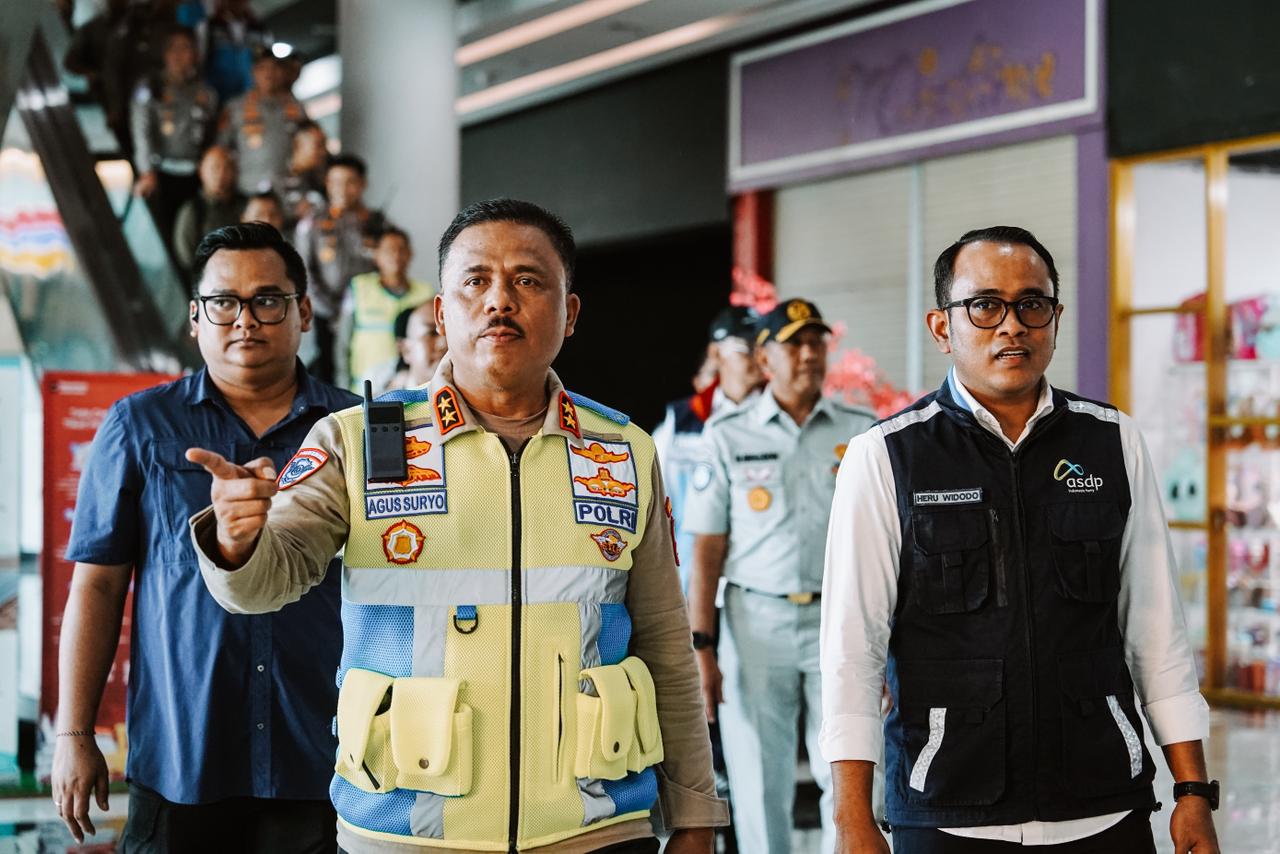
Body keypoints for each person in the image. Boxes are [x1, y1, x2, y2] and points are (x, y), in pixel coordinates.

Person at [185, 198, 728, 853]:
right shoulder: (359, 440)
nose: (500, 300)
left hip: (597, 832)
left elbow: (666, 645)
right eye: (476, 281)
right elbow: (266, 585)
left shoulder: (622, 450)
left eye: (528, 280)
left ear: (570, 313)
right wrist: (238, 542)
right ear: (442, 314)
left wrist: (695, 812)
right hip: (407, 834)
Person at [820, 226, 1221, 854]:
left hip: (1103, 805)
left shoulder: (1112, 442)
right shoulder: (886, 457)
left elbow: (1156, 632)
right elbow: (853, 650)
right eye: (985, 305)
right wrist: (851, 818)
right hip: (947, 809)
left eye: (1032, 304)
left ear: (1055, 319)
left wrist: (1192, 790)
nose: (1012, 325)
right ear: (942, 327)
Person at [51, 222, 357, 852]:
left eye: (268, 300)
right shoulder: (140, 425)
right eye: (223, 302)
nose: (245, 320)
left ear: (303, 312)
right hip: (182, 758)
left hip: (325, 755)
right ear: (195, 317)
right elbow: (98, 585)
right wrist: (74, 734)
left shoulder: (352, 429)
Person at [685, 299, 875, 854]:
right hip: (755, 622)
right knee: (758, 778)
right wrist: (702, 646)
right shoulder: (727, 435)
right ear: (765, 359)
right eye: (794, 344)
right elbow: (706, 548)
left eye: (816, 342)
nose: (809, 354)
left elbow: (882, 541)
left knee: (848, 768)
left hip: (840, 621)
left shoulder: (861, 432)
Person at [652, 306, 763, 592]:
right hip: (688, 581)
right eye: (747, 346)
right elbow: (654, 504)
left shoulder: (775, 420)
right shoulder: (681, 421)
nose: (758, 355)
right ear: (715, 353)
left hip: (753, 586)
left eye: (763, 345)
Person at [293, 154, 385, 383]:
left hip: (367, 311)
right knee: (324, 374)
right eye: (335, 182)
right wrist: (332, 311)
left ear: (363, 184)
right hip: (323, 314)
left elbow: (388, 262)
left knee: (365, 370)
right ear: (327, 183)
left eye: (350, 182)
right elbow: (303, 270)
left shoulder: (376, 222)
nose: (342, 189)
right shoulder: (312, 222)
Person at [130, 26, 218, 250]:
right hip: (162, 173)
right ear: (164, 54)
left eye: (185, 48)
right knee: (168, 235)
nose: (179, 55)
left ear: (195, 54)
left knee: (198, 232)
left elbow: (211, 134)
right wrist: (146, 171)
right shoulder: (150, 88)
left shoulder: (205, 93)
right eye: (173, 49)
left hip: (196, 174)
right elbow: (142, 131)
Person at [336, 226, 436, 392]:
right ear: (376, 255)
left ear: (410, 254)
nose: (396, 255)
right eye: (389, 250)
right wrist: (342, 387)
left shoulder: (426, 293)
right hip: (363, 389)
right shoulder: (358, 288)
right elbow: (343, 342)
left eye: (401, 249)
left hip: (412, 389)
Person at [217, 53, 307, 196]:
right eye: (263, 68)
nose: (269, 73)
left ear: (283, 73)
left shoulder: (297, 107)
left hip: (288, 188)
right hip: (248, 187)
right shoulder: (235, 108)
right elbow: (221, 148)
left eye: (275, 68)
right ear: (253, 72)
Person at [173, 145, 245, 272]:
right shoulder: (193, 210)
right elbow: (186, 258)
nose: (221, 174)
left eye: (227, 167)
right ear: (201, 171)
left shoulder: (244, 205)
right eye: (215, 168)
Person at [198, 0, 273, 102]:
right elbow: (199, 60)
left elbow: (268, 61)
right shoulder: (209, 26)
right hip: (216, 94)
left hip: (250, 96)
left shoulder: (260, 28)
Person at [277, 122, 329, 231]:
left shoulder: (325, 181)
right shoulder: (275, 183)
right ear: (297, 145)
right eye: (319, 145)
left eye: (324, 145)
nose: (324, 152)